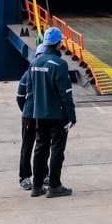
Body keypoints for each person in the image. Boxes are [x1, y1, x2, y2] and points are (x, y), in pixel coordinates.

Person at [16, 27, 77, 198]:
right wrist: (71, 116)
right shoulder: (60, 64)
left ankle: (36, 186)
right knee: (57, 150)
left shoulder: (34, 64)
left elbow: (28, 91)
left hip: (38, 115)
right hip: (57, 116)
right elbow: (65, 93)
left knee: (39, 149)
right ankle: (54, 186)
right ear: (59, 43)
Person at [14, 42, 46, 190]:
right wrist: (27, 112)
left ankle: (43, 174)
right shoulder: (29, 74)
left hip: (42, 114)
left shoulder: (36, 72)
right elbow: (20, 96)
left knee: (42, 145)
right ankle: (25, 176)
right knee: (29, 146)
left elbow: (21, 96)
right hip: (34, 115)